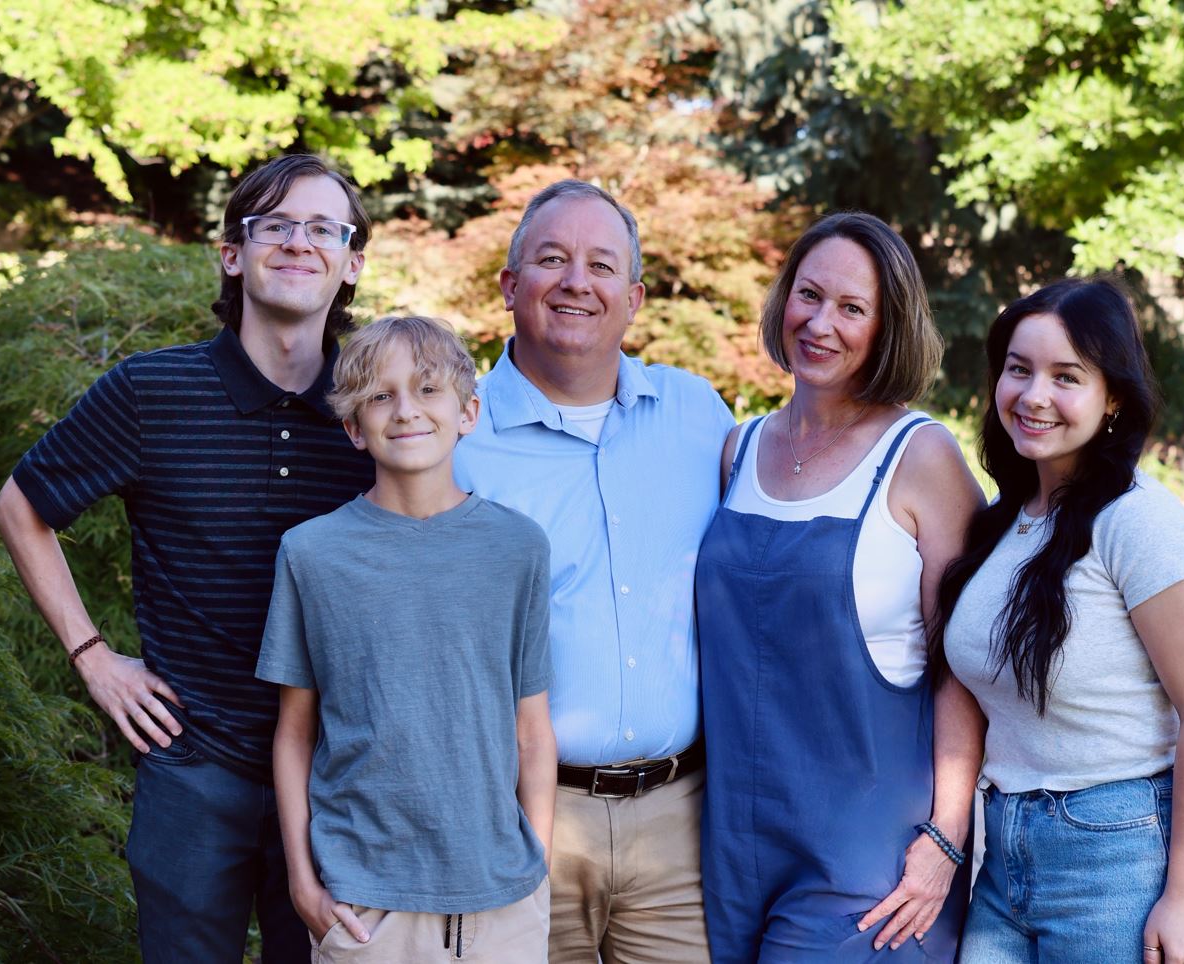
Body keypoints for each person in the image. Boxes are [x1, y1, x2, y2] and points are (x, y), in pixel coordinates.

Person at [0, 154, 376, 961]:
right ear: (234, 253)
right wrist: (94, 659)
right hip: (193, 766)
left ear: (351, 263)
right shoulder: (148, 392)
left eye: (322, 229)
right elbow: (21, 508)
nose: (298, 243)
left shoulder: (375, 408)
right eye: (274, 224)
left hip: (337, 772)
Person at [452, 179, 736, 963]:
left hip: (678, 827)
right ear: (510, 286)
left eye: (601, 265)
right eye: (552, 259)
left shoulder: (698, 415)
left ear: (634, 296)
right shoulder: (454, 435)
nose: (578, 281)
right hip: (519, 823)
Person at [695, 211, 986, 962]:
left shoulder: (920, 456)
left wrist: (943, 840)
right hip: (733, 843)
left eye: (852, 308)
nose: (821, 323)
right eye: (809, 294)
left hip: (867, 858)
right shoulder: (738, 448)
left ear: (887, 328)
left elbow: (964, 669)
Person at [935, 276, 1184, 964]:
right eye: (1018, 369)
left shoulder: (1141, 525)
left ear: (1113, 399)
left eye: (1065, 376)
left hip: (1122, 860)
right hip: (1005, 857)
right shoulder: (1003, 523)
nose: (1033, 395)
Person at [257, 315, 556, 963]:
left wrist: (538, 864)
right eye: (380, 396)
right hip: (367, 905)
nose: (405, 411)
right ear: (352, 427)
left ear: (468, 411)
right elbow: (294, 733)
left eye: (427, 389)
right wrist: (302, 883)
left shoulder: (517, 548)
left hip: (502, 899)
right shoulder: (312, 553)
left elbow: (531, 729)